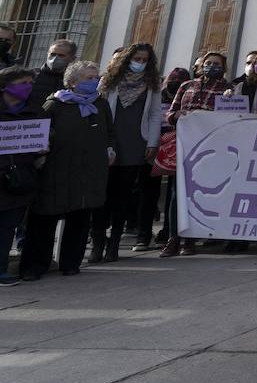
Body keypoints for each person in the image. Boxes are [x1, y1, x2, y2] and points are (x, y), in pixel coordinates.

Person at [18, 61, 113, 279]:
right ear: (73, 82)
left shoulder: (100, 105)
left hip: (88, 171)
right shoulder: (56, 104)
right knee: (45, 218)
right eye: (88, 78)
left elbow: (110, 132)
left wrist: (110, 148)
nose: (94, 81)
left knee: (79, 218)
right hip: (57, 170)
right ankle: (35, 266)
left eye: (95, 77)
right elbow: (41, 133)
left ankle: (71, 263)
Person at [89, 44, 161, 264]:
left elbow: (156, 114)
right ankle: (98, 241)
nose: (140, 62)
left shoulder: (152, 84)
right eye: (136, 58)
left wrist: (152, 142)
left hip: (135, 142)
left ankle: (114, 244)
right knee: (102, 194)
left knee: (123, 195)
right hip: (109, 140)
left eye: (144, 59)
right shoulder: (108, 81)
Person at [160, 52, 229, 257]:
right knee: (176, 194)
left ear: (223, 68)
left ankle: (190, 240)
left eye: (216, 64)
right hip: (184, 144)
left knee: (199, 193)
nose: (211, 67)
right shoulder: (186, 86)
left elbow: (231, 116)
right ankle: (174, 238)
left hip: (209, 148)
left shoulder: (227, 89)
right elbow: (170, 113)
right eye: (208, 63)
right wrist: (176, 115)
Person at [140, 66, 190, 251]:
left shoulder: (186, 95)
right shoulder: (157, 96)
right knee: (148, 191)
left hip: (178, 148)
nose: (174, 84)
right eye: (172, 80)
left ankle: (169, 232)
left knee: (174, 193)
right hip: (154, 146)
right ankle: (144, 233)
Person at [0, 66, 41, 286]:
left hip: (20, 175)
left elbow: (41, 137)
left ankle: (1, 268)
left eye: (30, 83)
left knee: (7, 227)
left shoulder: (34, 111)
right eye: (23, 83)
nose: (28, 87)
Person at [27, 39, 75, 113]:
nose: (55, 59)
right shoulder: (31, 76)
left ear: (72, 58)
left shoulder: (74, 81)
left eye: (61, 55)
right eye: (52, 54)